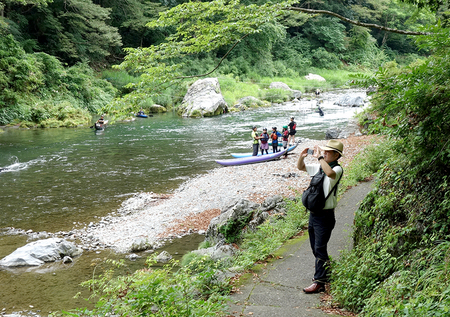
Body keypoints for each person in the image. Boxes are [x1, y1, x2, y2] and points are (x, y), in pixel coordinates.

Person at [296, 140, 344, 294]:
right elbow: (301, 167)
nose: (324, 153)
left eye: (328, 152)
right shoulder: (320, 168)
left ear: (336, 155)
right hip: (314, 214)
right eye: (324, 151)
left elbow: (330, 173)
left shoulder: (337, 169)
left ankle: (319, 282)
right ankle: (325, 273)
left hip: (325, 216)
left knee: (320, 248)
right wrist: (302, 157)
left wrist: (319, 158)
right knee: (315, 248)